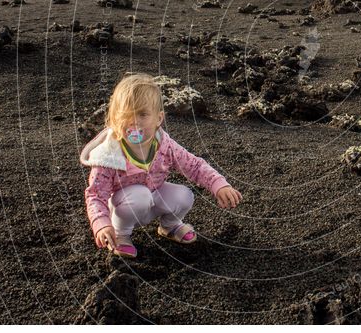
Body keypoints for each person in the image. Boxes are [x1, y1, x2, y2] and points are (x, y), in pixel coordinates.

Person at [80, 72, 242, 258]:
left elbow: (194, 166)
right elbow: (95, 195)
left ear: (158, 118)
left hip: (153, 195)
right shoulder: (108, 156)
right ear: (115, 118)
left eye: (143, 114)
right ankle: (120, 234)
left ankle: (170, 226)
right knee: (139, 195)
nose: (134, 122)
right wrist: (102, 224)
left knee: (184, 196)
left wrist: (218, 184)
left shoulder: (164, 145)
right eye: (126, 115)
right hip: (124, 204)